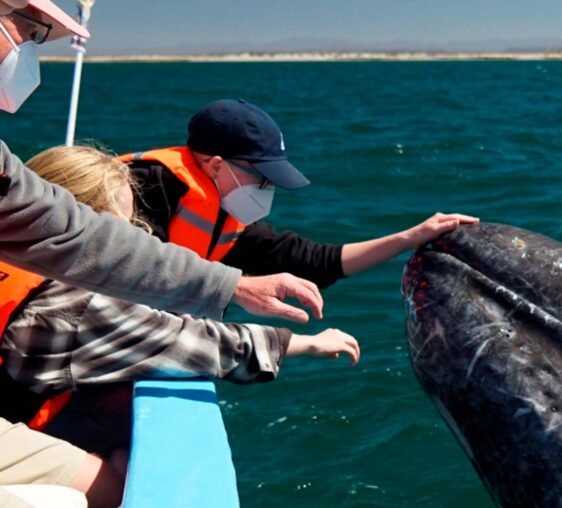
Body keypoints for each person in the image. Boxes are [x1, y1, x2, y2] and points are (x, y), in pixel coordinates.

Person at [0, 0, 319, 508]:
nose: (28, 55)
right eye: (29, 30)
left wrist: (232, 284)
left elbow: (81, 241)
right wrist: (287, 335)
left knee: (111, 483)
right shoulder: (68, 306)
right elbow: (182, 339)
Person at [2, 145, 362, 462]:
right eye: (116, 229)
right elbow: (185, 342)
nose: (131, 238)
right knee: (112, 486)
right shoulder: (73, 306)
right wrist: (306, 343)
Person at [125, 98, 478, 286]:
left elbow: (318, 261)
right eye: (261, 177)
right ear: (217, 166)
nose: (268, 188)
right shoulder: (146, 185)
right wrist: (240, 290)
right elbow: (130, 268)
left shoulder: (227, 221)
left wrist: (410, 237)